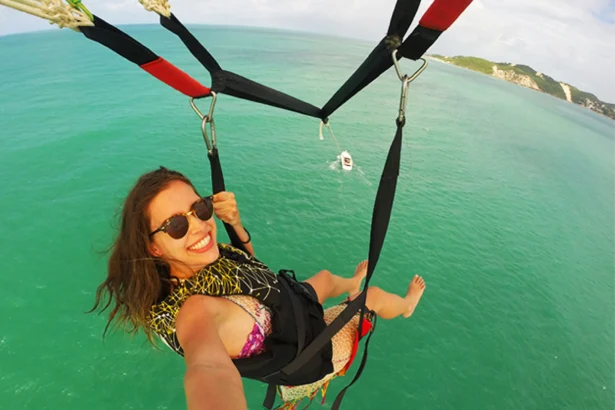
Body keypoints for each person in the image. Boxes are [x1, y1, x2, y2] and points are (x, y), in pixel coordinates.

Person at [92, 166, 426, 410]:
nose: (199, 226)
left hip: (288, 309)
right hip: (313, 348)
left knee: (324, 278)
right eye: (176, 225)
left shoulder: (201, 266)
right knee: (373, 298)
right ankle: (405, 306)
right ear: (153, 248)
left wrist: (233, 224)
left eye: (200, 208)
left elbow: (248, 268)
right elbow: (207, 369)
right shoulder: (192, 310)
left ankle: (350, 282)